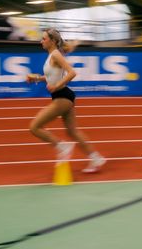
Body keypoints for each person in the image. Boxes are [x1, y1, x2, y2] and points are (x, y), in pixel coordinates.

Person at [26, 28, 106, 173]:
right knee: (73, 132)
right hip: (64, 96)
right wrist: (37, 78)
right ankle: (96, 158)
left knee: (35, 127)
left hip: (62, 97)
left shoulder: (55, 55)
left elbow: (72, 72)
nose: (41, 41)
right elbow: (52, 76)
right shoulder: (52, 55)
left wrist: (57, 85)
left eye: (44, 39)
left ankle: (62, 146)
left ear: (53, 41)